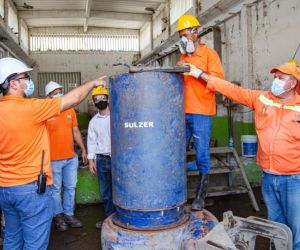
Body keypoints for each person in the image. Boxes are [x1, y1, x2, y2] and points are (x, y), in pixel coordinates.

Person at [184, 61, 300, 249]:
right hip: (269, 178)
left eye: (281, 78)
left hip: (295, 179)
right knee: (276, 229)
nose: (275, 81)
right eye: (275, 77)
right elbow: (230, 89)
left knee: (297, 230)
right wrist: (199, 74)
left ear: (293, 83)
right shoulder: (263, 99)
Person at [0, 57, 106, 250]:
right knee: (34, 243)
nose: (28, 81)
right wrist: (92, 83)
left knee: (12, 239)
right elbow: (73, 99)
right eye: (25, 77)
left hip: (5, 189)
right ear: (13, 83)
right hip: (30, 190)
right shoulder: (32, 108)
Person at [177, 14, 225, 210]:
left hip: (201, 111)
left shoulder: (209, 55)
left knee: (202, 153)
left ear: (196, 33)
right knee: (177, 150)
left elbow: (218, 81)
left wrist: (195, 70)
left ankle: (200, 195)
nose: (184, 39)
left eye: (186, 34)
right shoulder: (182, 57)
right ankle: (178, 192)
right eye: (181, 36)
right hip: (182, 112)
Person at [45, 81, 87, 231]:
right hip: (53, 158)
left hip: (70, 157)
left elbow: (75, 131)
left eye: (60, 91)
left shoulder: (70, 110)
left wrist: (83, 149)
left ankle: (69, 214)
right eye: (55, 92)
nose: (59, 94)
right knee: (56, 189)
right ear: (48, 96)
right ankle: (58, 216)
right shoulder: (45, 112)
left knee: (70, 187)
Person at [87, 86, 115, 229]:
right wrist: (91, 161)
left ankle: (120, 219)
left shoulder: (117, 117)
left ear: (108, 99)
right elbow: (91, 142)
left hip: (118, 159)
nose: (100, 100)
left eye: (103, 97)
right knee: (105, 192)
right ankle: (109, 219)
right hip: (102, 159)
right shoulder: (93, 122)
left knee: (119, 189)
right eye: (96, 98)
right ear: (94, 101)